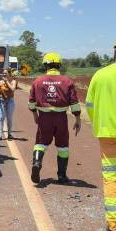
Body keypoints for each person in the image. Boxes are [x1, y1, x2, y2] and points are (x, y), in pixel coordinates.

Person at [28, 52, 81, 184]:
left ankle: (36, 163)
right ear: (58, 65)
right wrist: (78, 119)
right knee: (63, 147)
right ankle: (62, 176)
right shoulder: (67, 81)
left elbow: (31, 102)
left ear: (45, 65)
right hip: (61, 118)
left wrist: (35, 115)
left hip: (44, 118)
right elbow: (74, 103)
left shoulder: (37, 81)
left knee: (40, 144)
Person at [86, 44, 116, 231]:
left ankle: (113, 223)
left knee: (111, 177)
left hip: (107, 134)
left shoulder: (101, 75)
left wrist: (99, 124)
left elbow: (89, 105)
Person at [0, 68, 17, 140]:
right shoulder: (0, 82)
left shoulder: (13, 81)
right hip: (2, 100)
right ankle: (0, 135)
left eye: (5, 73)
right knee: (1, 117)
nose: (4, 74)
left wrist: (6, 81)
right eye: (3, 73)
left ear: (9, 74)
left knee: (9, 118)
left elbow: (12, 89)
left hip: (10, 101)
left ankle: (9, 134)